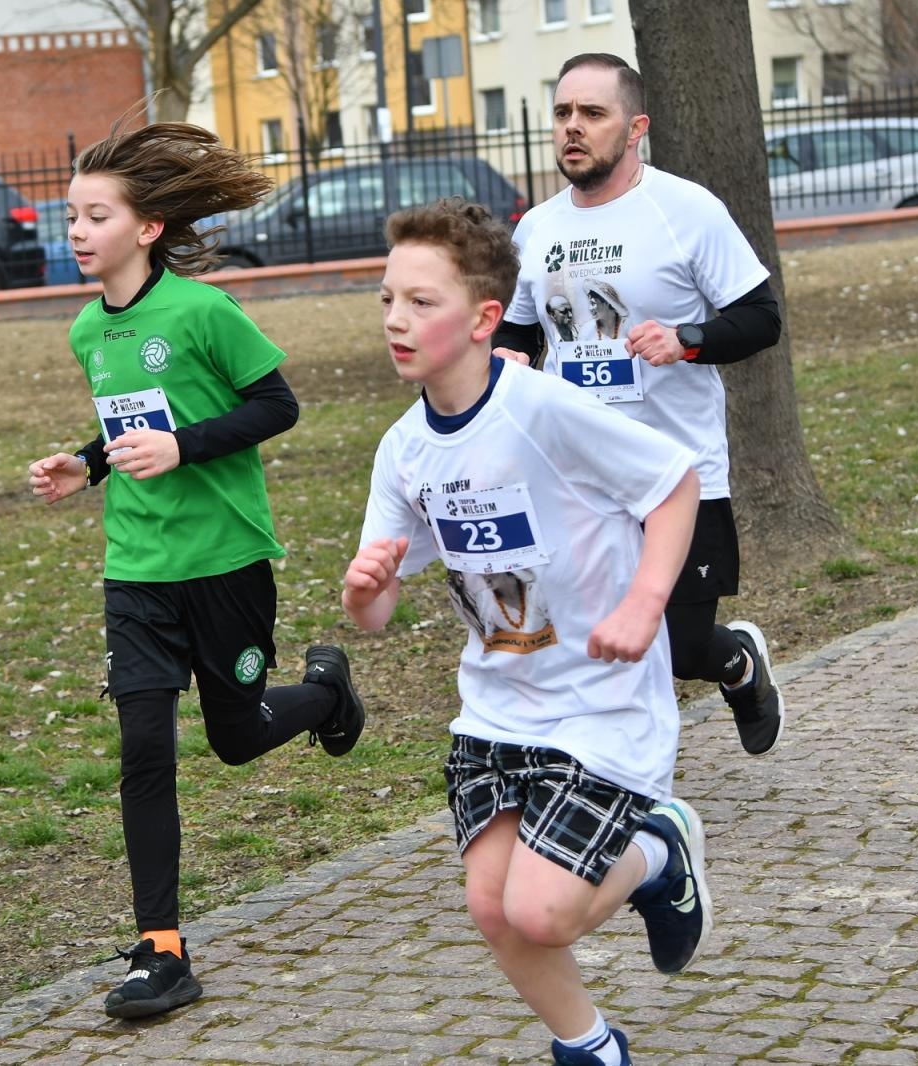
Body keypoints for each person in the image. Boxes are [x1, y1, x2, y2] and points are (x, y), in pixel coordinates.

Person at [344, 198, 713, 1066]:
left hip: (599, 704)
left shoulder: (541, 410)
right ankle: (589, 1046)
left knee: (542, 909)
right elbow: (378, 609)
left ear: (481, 319)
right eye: (387, 299)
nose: (397, 319)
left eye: (421, 302)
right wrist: (367, 591)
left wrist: (645, 603)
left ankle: (659, 851)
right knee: (491, 906)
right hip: (497, 706)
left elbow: (673, 483)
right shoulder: (402, 451)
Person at [26, 119, 366, 1021]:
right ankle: (162, 949)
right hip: (136, 569)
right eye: (70, 215)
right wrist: (87, 462)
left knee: (238, 735)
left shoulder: (204, 311)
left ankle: (327, 694)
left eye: (95, 215)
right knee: (144, 746)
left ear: (145, 229)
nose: (76, 230)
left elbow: (275, 406)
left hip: (226, 563)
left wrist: (182, 450)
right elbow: (133, 420)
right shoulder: (86, 330)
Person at [492, 53, 786, 759]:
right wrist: (508, 356)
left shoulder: (686, 211)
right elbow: (519, 322)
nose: (573, 128)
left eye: (592, 113)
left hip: (676, 471)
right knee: (585, 633)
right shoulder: (536, 228)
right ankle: (611, 771)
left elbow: (760, 318)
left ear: (636, 127)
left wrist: (688, 339)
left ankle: (738, 663)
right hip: (575, 473)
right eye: (563, 113)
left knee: (682, 646)